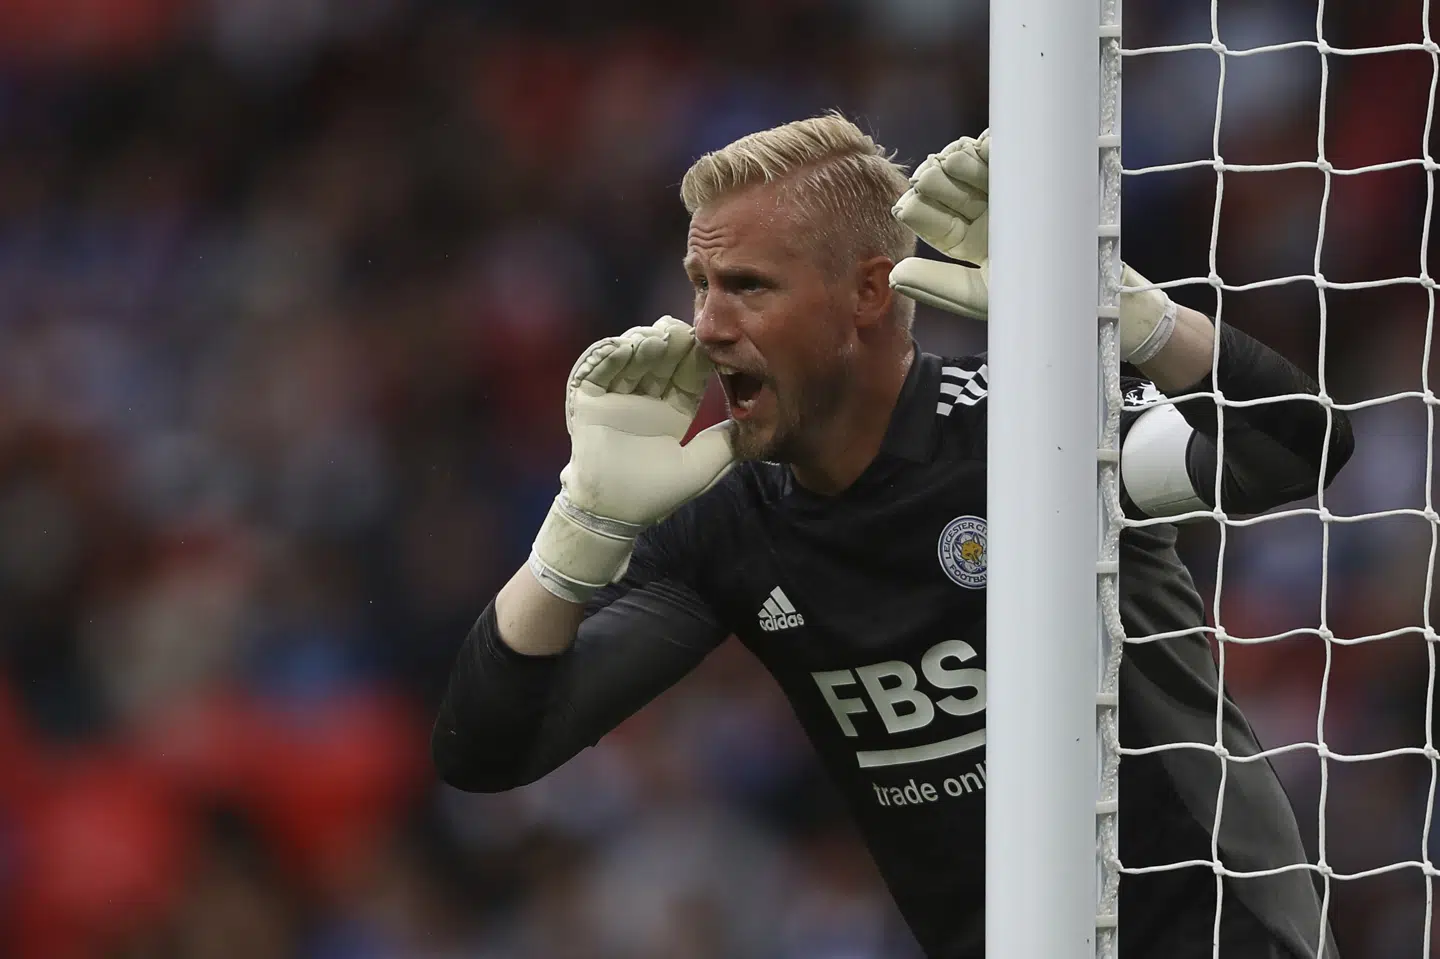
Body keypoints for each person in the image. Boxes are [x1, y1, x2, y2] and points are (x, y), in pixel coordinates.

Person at [432, 114, 1352, 958]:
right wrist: (579, 531)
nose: (707, 327)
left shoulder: (1040, 428)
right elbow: (488, 752)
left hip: (1221, 938)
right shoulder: (731, 527)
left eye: (747, 286)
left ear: (868, 292)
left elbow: (1296, 448)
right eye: (701, 286)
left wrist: (1133, 314)